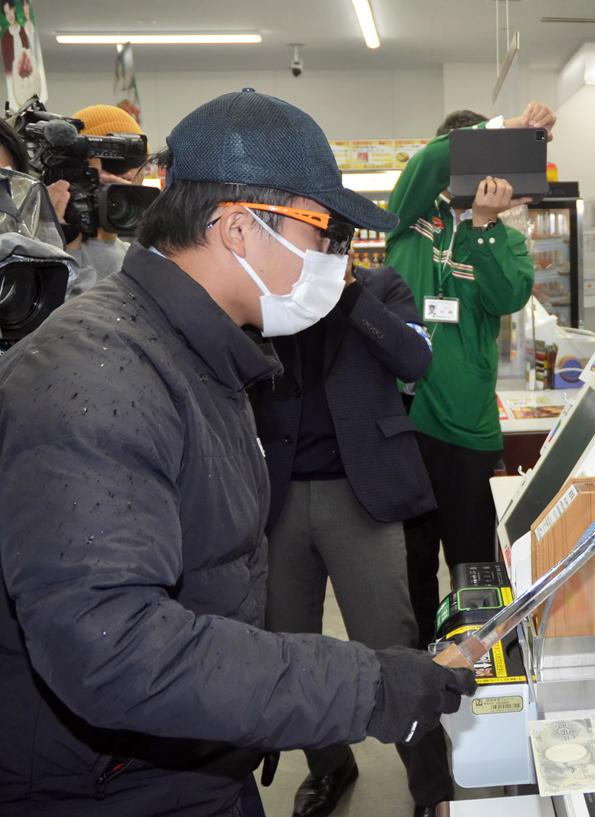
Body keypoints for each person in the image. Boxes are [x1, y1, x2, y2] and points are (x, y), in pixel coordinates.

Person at [0, 89, 476, 815]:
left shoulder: (201, 354)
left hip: (188, 762)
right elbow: (112, 647)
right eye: (323, 231)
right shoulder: (98, 369)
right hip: (107, 787)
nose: (331, 257)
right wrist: (368, 685)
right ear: (239, 228)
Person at [249, 257, 443, 817]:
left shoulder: (382, 285)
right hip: (277, 493)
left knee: (392, 640)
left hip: (362, 493)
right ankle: (330, 765)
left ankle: (433, 787)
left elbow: (415, 359)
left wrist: (352, 293)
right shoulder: (261, 287)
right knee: (289, 647)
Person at [385, 103, 547, 652]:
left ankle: (473, 662)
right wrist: (498, 131)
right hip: (401, 421)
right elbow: (427, 163)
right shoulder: (410, 216)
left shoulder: (506, 236)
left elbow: (508, 296)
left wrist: (482, 227)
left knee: (471, 562)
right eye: (464, 159)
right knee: (408, 560)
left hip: (464, 424)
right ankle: (414, 666)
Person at [43, 105, 148, 298]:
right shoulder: (46, 247)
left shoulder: (141, 255)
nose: (124, 174)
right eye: (111, 160)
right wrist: (62, 244)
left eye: (134, 160)